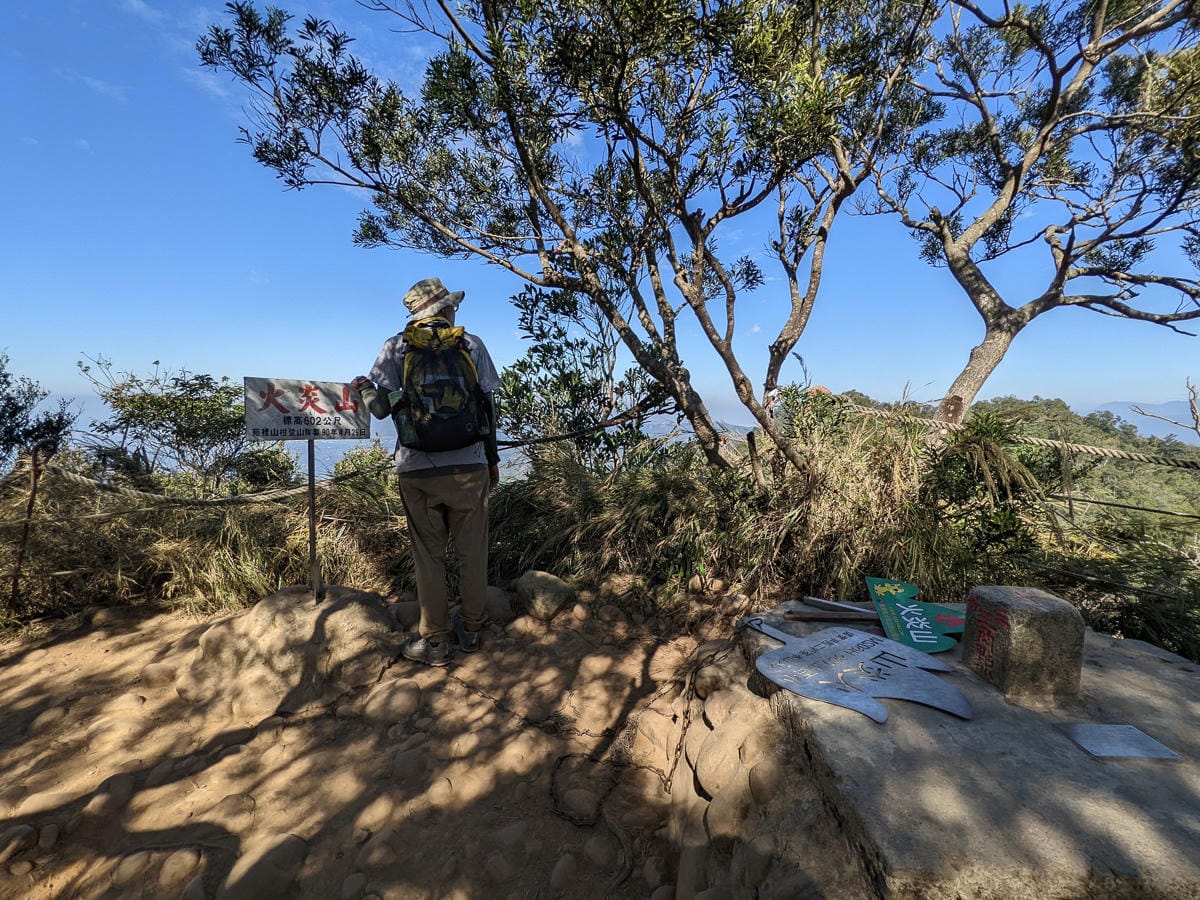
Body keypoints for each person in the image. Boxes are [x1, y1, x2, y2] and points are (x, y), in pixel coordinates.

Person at [349, 277, 502, 667]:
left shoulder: (396, 347)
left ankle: (435, 642)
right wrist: (492, 460)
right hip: (470, 467)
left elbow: (380, 409)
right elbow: (487, 408)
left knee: (428, 558)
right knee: (472, 554)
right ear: (445, 309)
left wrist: (364, 386)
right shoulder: (471, 344)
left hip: (417, 470)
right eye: (453, 306)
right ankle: (472, 630)